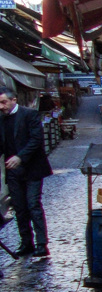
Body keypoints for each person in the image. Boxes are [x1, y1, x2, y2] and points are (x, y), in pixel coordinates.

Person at [0, 87, 52, 258]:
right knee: (20, 208)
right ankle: (26, 243)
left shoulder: (29, 114)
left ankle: (42, 244)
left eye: (3, 102)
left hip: (32, 169)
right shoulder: (1, 119)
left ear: (14, 100)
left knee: (33, 205)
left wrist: (20, 157)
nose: (1, 106)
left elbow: (36, 140)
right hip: (13, 172)